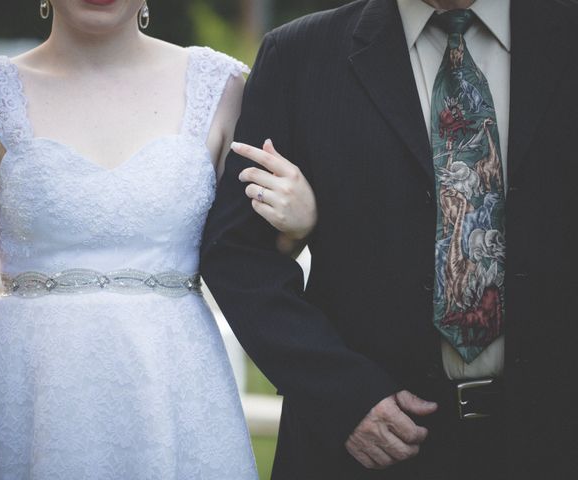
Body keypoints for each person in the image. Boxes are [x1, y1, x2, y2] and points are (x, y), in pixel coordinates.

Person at [0, 1, 319, 478]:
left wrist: (301, 224)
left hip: (174, 392)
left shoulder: (220, 89)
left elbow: (247, 257)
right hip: (31, 397)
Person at [202, 0, 578, 478]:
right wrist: (340, 395)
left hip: (554, 441)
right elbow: (236, 254)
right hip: (362, 449)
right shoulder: (299, 55)